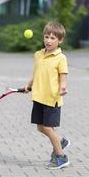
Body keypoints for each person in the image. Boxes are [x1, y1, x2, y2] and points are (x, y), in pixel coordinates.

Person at [24, 21, 71, 169]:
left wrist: (63, 88)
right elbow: (37, 73)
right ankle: (60, 140)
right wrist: (29, 85)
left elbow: (63, 77)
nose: (49, 41)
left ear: (60, 40)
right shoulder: (38, 55)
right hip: (38, 97)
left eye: (53, 38)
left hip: (52, 99)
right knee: (40, 127)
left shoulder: (61, 58)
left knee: (48, 128)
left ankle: (61, 157)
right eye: (46, 37)